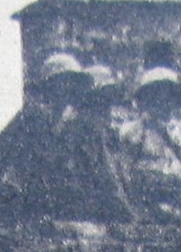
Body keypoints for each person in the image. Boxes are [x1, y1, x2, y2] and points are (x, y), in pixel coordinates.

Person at [0, 51, 85, 231]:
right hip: (28, 208)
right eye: (61, 84)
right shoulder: (30, 119)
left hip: (59, 210)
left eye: (71, 84)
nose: (67, 91)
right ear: (49, 88)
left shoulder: (73, 127)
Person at [122, 66, 181, 226]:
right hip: (146, 206)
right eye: (156, 95)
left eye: (168, 96)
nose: (163, 102)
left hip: (178, 203)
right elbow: (126, 173)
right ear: (146, 99)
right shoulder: (134, 131)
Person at [54, 66, 137, 223]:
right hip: (85, 215)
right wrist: (130, 216)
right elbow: (107, 182)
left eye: (108, 101)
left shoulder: (101, 133)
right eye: (102, 99)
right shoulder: (85, 131)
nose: (107, 108)